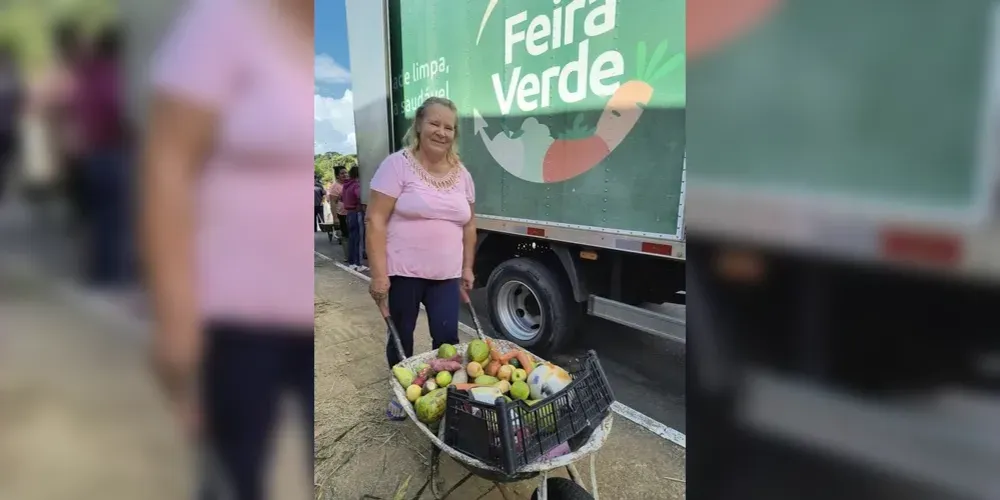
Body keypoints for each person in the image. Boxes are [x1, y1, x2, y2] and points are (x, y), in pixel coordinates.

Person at [139, 0, 313, 498]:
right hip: (237, 319)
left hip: (311, 317)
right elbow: (167, 162)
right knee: (234, 478)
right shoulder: (225, 19)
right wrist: (174, 314)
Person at [365, 97, 477, 417]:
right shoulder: (397, 165)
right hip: (403, 273)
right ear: (418, 125)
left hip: (447, 275)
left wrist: (467, 266)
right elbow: (375, 220)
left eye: (449, 127)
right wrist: (378, 275)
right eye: (434, 123)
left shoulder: (462, 174)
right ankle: (402, 394)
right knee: (402, 337)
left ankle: (441, 397)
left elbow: (469, 224)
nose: (441, 132)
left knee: (447, 340)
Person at [77, 26, 133, 287]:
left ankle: (98, 269)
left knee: (100, 217)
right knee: (115, 216)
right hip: (111, 150)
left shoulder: (88, 76)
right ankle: (112, 272)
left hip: (91, 151)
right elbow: (117, 110)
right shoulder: (112, 76)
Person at [0, 43, 23, 203]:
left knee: (6, 163)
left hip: (9, 129)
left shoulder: (13, 77)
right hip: (8, 129)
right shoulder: (13, 78)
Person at [341, 165, 367, 271]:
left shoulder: (346, 185)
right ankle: (359, 264)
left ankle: (351, 262)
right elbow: (360, 196)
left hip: (349, 214)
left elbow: (342, 198)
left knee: (352, 239)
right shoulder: (356, 185)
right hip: (357, 214)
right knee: (359, 240)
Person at [326, 166, 348, 244]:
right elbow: (332, 203)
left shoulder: (348, 184)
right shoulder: (335, 187)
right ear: (337, 176)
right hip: (342, 215)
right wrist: (335, 218)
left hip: (350, 213)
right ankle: (347, 255)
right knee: (345, 236)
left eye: (346, 172)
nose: (345, 175)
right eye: (342, 173)